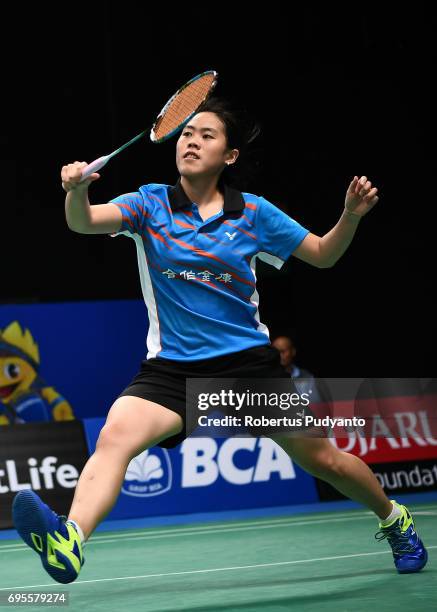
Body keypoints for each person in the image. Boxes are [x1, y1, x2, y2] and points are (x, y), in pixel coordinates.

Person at [12, 97, 427, 583]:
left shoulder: (253, 213)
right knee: (113, 438)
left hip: (246, 368)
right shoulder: (148, 203)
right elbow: (82, 222)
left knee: (324, 460)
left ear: (229, 156)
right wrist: (75, 191)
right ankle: (71, 541)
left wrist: (350, 216)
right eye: (186, 134)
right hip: (173, 368)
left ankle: (394, 518)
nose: (191, 141)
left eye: (206, 135)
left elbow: (321, 255)